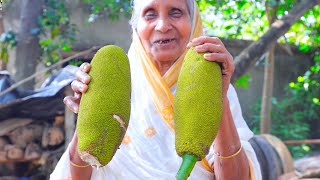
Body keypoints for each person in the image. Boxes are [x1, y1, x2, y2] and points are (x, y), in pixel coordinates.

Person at [50, 0, 262, 179]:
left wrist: (218, 98)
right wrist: (88, 117)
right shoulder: (116, 82)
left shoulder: (218, 88)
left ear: (194, 21)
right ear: (136, 27)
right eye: (150, 15)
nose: (162, 25)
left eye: (175, 13)